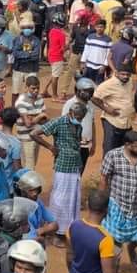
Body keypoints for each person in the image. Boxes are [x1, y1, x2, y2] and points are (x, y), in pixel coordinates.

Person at [101, 130, 137, 270]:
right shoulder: (113, 156)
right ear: (127, 145)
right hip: (118, 205)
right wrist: (102, 202)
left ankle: (132, 249)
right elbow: (104, 179)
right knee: (116, 238)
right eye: (136, 146)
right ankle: (114, 268)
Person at [31, 100, 89, 246]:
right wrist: (50, 147)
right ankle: (56, 232)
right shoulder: (58, 122)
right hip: (63, 167)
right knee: (60, 199)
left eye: (81, 118)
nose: (79, 120)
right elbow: (34, 133)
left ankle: (67, 230)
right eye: (77, 117)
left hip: (75, 166)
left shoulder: (78, 125)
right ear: (70, 113)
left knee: (72, 199)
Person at [66, 189, 119, 273]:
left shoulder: (73, 226)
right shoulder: (105, 239)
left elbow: (69, 256)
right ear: (106, 211)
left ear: (87, 204)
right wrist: (116, 262)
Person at [94, 66, 135, 155]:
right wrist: (107, 109)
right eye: (122, 74)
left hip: (126, 122)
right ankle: (107, 168)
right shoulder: (108, 84)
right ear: (116, 73)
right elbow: (94, 98)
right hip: (112, 122)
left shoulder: (129, 81)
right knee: (110, 149)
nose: (125, 76)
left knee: (123, 149)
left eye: (128, 74)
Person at [14, 171, 59, 245]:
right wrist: (44, 232)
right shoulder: (20, 210)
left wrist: (41, 230)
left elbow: (55, 225)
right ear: (23, 191)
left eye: (36, 189)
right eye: (31, 190)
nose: (35, 193)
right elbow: (32, 239)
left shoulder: (38, 201)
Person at [15, 75, 48, 169]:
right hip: (25, 139)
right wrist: (39, 116)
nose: (36, 91)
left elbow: (45, 120)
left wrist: (33, 117)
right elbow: (28, 124)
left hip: (37, 137)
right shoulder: (21, 102)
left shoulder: (40, 99)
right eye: (33, 88)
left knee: (32, 165)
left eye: (38, 88)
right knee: (30, 168)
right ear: (26, 87)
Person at [12, 20, 42, 104]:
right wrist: (29, 54)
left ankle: (31, 108)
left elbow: (35, 55)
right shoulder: (17, 39)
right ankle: (14, 110)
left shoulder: (36, 40)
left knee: (33, 90)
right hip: (18, 68)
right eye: (24, 28)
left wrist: (23, 55)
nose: (27, 29)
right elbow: (15, 53)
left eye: (29, 27)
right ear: (21, 28)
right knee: (15, 91)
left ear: (33, 29)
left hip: (31, 69)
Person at [45, 13, 69, 99]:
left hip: (51, 55)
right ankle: (54, 95)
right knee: (55, 76)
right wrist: (69, 44)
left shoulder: (52, 31)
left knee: (54, 74)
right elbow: (63, 49)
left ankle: (45, 90)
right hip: (57, 56)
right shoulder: (61, 34)